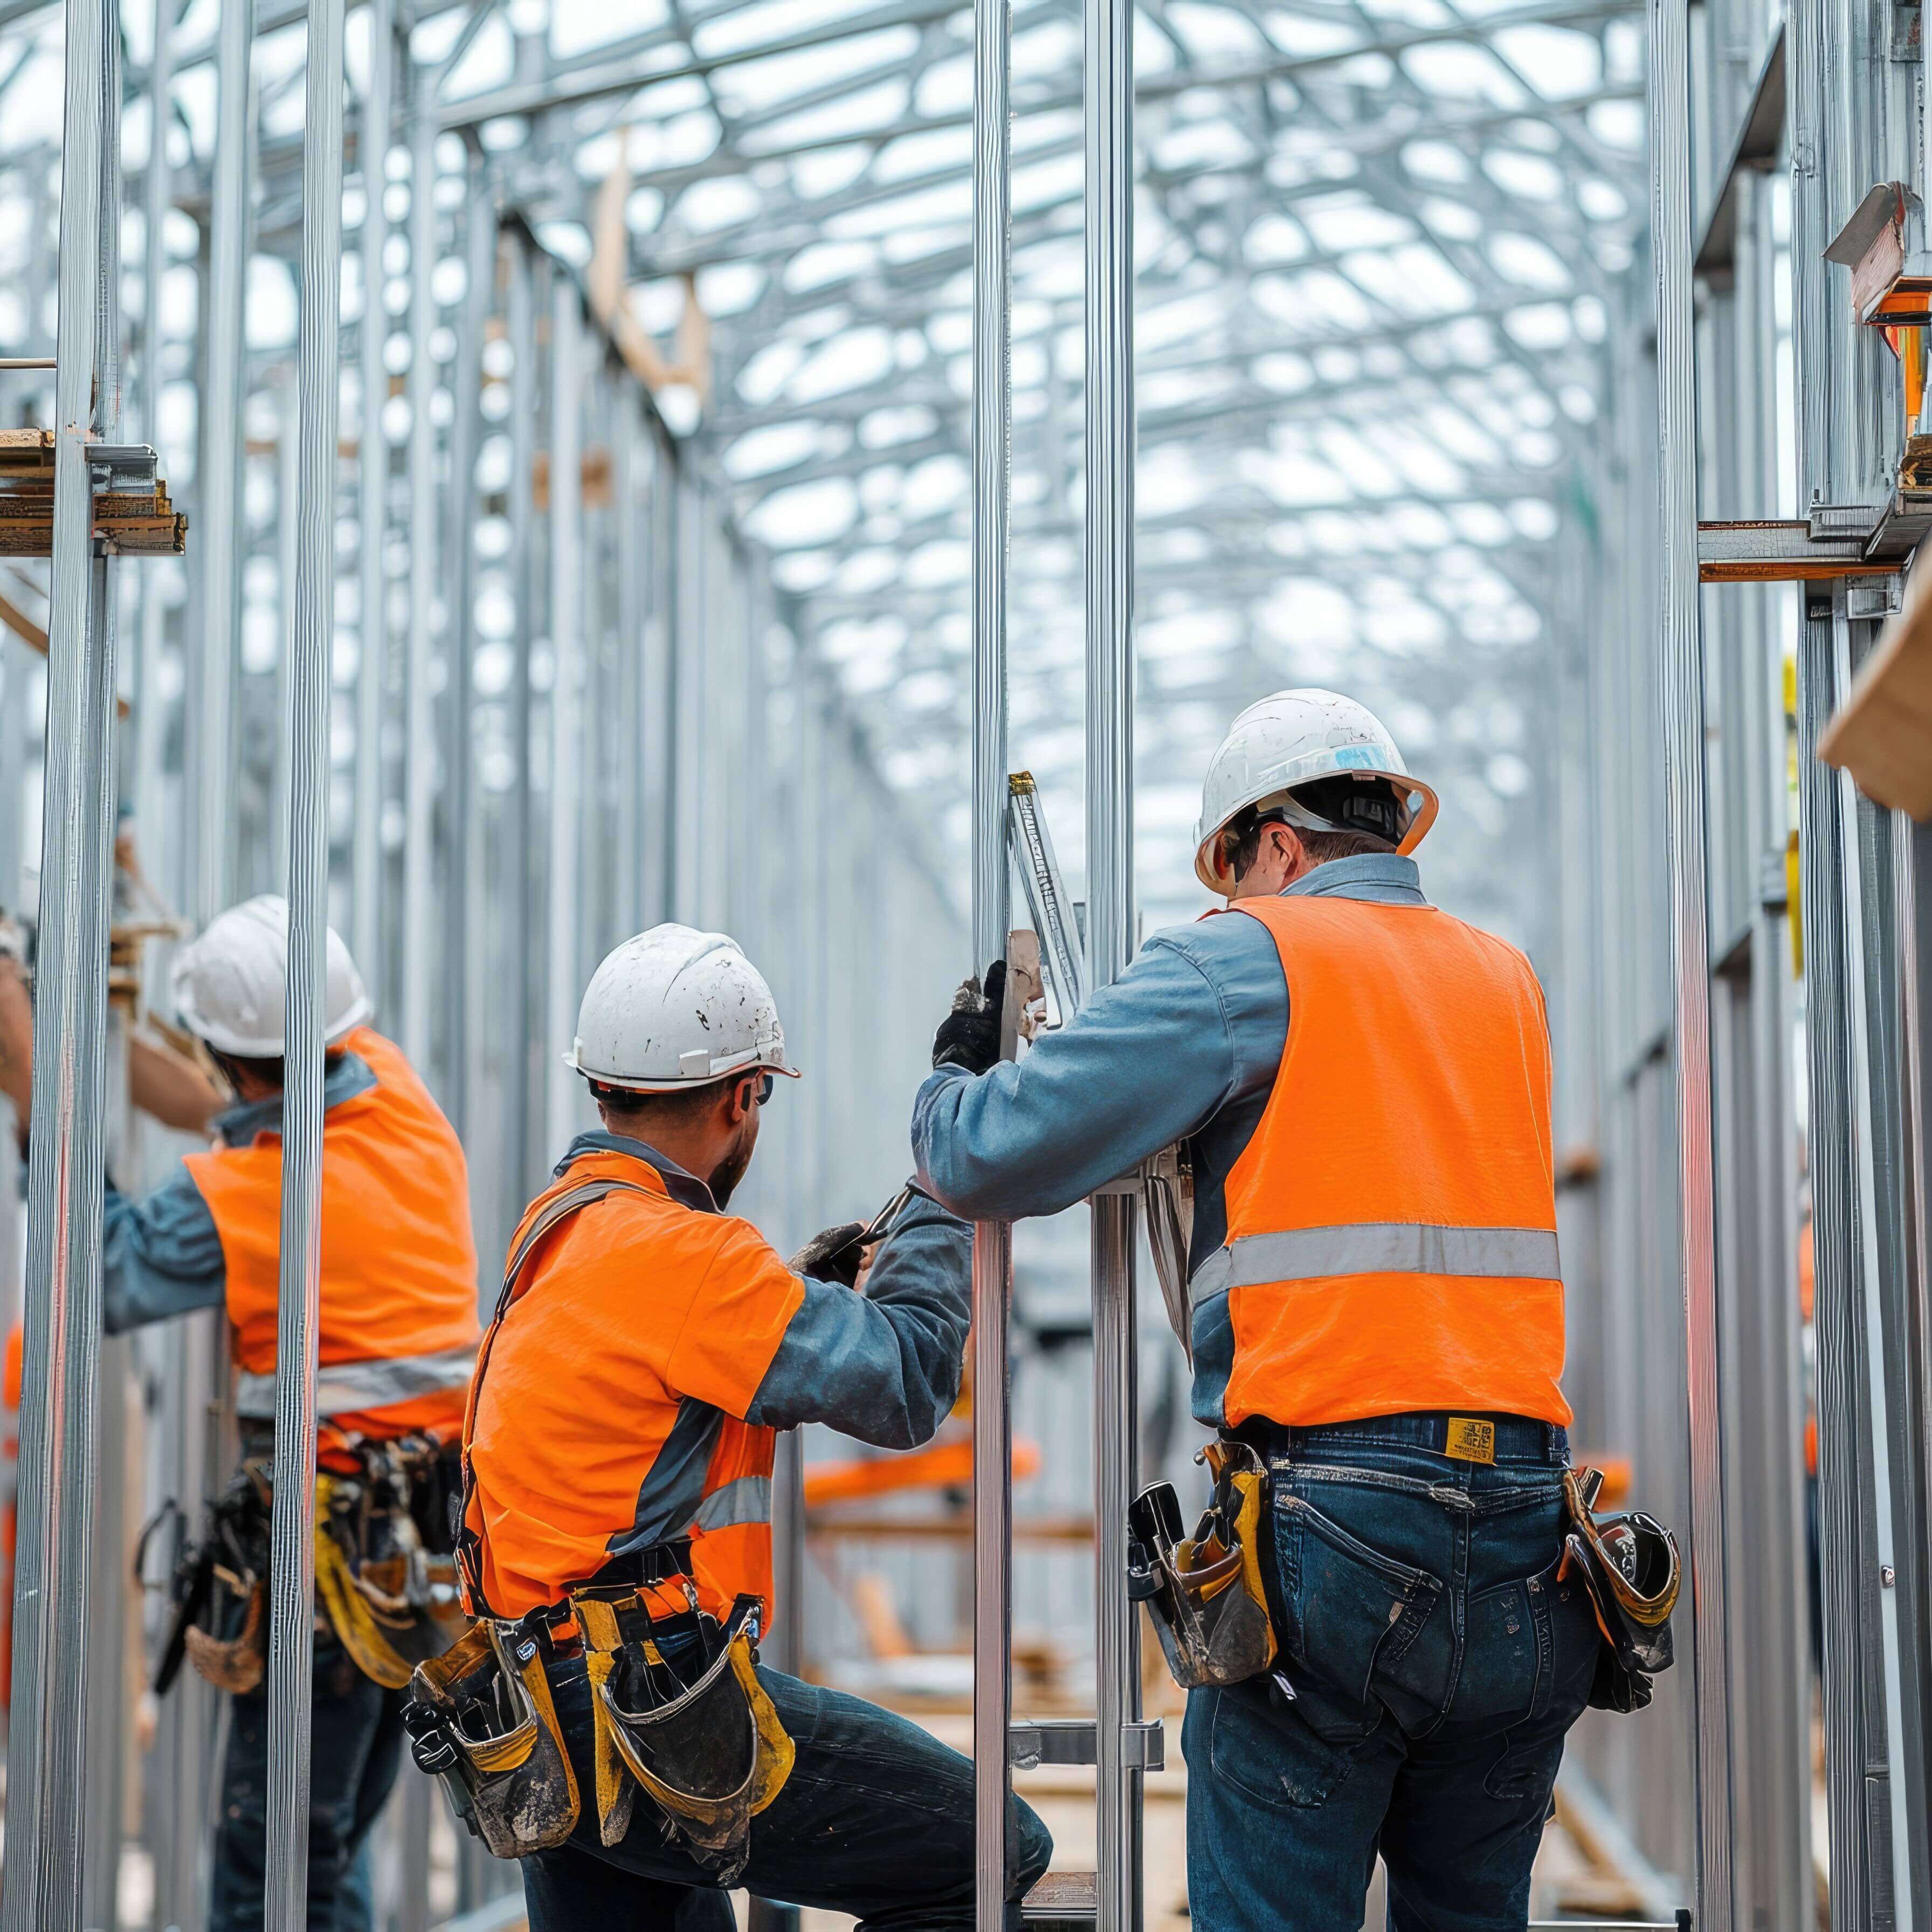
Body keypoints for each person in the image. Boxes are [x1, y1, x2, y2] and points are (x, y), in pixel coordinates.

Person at [914, 689, 1598, 1931]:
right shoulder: (1507, 981)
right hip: (1528, 1524)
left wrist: (956, 1067)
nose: (1227, 903)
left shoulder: (1244, 957)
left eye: (1230, 877)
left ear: (1274, 844)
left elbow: (983, 1156)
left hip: (1337, 1523)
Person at [457, 922, 1051, 1930]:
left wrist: (796, 1302)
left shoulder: (556, 1229)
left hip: (536, 1709)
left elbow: (644, 1398)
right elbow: (911, 1381)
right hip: (654, 1704)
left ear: (602, 1088)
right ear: (743, 1097)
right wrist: (949, 1168)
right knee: (992, 1855)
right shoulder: (691, 1256)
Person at [0, 892, 482, 1932]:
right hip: (427, 1552)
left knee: (272, 1874)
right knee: (327, 1847)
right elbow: (225, 1094)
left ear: (230, 1055)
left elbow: (101, 1275)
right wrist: (91, 1021)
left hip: (328, 1569)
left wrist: (27, 1064)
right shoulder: (393, 1092)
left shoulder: (251, 1198)